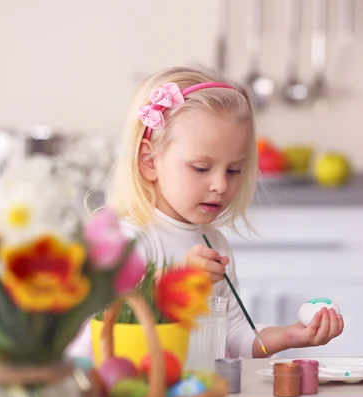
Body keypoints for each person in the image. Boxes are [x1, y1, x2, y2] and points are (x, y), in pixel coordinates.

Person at [66, 65, 344, 360]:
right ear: (149, 161)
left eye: (234, 170)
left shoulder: (214, 244)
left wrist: (290, 335)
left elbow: (234, 333)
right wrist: (177, 278)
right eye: (201, 168)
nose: (221, 185)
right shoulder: (129, 239)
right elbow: (110, 318)